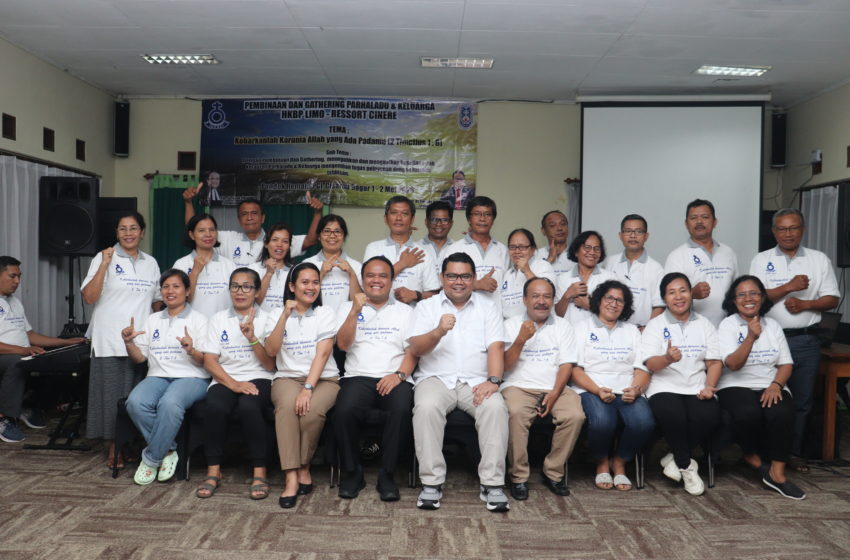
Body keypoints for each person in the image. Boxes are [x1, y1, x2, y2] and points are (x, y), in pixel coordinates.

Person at [408, 252, 510, 512]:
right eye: (452, 275)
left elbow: (496, 348)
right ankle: (431, 483)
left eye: (465, 276)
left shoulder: (488, 308)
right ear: (442, 278)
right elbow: (416, 349)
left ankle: (493, 484)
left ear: (473, 278)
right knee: (427, 408)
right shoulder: (426, 307)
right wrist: (439, 331)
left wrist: (494, 381)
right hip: (435, 378)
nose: (458, 281)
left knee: (496, 407)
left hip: (476, 381)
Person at [749, 208, 839, 472]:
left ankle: (793, 453)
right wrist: (788, 287)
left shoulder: (818, 259)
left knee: (801, 401)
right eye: (782, 228)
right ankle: (765, 453)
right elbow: (754, 299)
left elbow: (832, 298)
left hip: (805, 341)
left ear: (802, 229)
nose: (788, 233)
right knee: (765, 399)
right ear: (774, 231)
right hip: (766, 341)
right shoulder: (760, 259)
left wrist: (806, 304)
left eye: (793, 228)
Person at [81, 211, 161, 467]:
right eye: (123, 229)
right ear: (116, 233)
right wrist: (105, 264)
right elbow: (89, 297)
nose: (128, 233)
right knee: (111, 397)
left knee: (135, 396)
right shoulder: (104, 257)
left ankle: (130, 442)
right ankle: (114, 446)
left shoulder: (151, 262)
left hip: (140, 342)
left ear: (142, 231)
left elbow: (157, 300)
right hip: (109, 340)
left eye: (134, 228)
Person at [334, 256, 416, 501]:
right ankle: (353, 471)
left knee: (401, 410)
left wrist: (399, 375)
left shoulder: (406, 311)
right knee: (343, 410)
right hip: (358, 376)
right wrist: (355, 310)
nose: (376, 280)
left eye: (383, 276)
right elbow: (343, 344)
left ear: (391, 281)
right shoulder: (346, 307)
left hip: (395, 375)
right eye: (370, 275)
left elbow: (413, 351)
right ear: (362, 279)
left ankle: (387, 474)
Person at [716, 275, 805, 499]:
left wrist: (776, 385)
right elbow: (733, 365)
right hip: (735, 384)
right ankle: (750, 455)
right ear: (733, 300)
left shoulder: (773, 325)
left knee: (782, 411)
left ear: (763, 297)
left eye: (754, 293)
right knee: (748, 413)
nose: (748, 298)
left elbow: (786, 364)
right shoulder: (727, 325)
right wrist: (750, 338)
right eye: (742, 294)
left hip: (769, 383)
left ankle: (777, 473)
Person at [194, 268, 276, 500]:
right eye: (235, 286)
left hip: (260, 376)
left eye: (247, 286)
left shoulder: (268, 318)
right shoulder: (219, 319)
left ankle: (260, 471)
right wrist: (234, 384)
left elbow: (270, 364)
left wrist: (252, 338)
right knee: (215, 406)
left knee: (249, 407)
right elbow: (210, 361)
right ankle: (214, 471)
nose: (240, 292)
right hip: (225, 377)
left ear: (257, 291)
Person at [122, 269, 210, 485]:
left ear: (188, 291)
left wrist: (191, 350)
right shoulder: (152, 320)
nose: (170, 291)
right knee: (135, 402)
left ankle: (151, 459)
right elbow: (139, 359)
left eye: (176, 286)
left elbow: (207, 360)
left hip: (193, 377)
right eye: (166, 287)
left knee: (170, 403)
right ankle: (169, 451)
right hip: (158, 376)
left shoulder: (200, 320)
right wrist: (129, 343)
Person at [264, 262, 340, 509]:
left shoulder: (325, 313)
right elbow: (272, 351)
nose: (311, 287)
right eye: (305, 282)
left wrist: (308, 388)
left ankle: (304, 464)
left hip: (324, 378)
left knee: (310, 412)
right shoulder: (275, 314)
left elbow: (323, 354)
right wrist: (285, 316)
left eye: (315, 282)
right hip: (286, 377)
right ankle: (291, 476)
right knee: (286, 408)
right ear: (292, 287)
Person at [502, 277, 584, 500]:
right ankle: (518, 477)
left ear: (553, 300)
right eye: (535, 296)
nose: (541, 302)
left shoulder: (563, 326)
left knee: (575, 415)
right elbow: (504, 367)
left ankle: (554, 472)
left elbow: (567, 364)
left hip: (554, 386)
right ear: (525, 300)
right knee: (515, 413)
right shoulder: (510, 325)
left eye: (547, 296)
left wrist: (555, 394)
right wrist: (520, 340)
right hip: (518, 387)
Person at [642, 272, 721, 496]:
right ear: (664, 298)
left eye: (683, 290)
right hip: (664, 386)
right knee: (673, 415)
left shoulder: (705, 324)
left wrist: (709, 385)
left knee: (710, 416)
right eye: (671, 292)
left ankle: (674, 457)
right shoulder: (656, 325)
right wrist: (667, 358)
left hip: (696, 385)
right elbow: (650, 363)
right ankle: (686, 467)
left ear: (691, 294)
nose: (678, 296)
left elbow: (714, 362)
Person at [570, 281, 655, 491]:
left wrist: (636, 389)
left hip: (626, 388)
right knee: (602, 422)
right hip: (592, 387)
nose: (614, 304)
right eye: (609, 298)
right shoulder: (581, 328)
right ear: (598, 300)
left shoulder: (632, 331)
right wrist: (597, 390)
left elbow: (643, 369)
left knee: (644, 422)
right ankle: (601, 461)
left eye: (619, 300)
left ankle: (620, 460)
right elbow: (575, 370)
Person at [0, 256, 85, 443]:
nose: (17, 281)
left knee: (56, 362)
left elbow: (31, 335)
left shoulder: (15, 302)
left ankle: (30, 406)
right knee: (18, 363)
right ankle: (5, 418)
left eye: (19, 277)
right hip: (7, 356)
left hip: (20, 353)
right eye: (12, 276)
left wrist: (66, 342)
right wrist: (21, 350)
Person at [182, 190, 323, 266]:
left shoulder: (276, 241)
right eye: (244, 214)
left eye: (254, 213)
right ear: (239, 219)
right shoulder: (227, 238)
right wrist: (188, 203)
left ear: (262, 218)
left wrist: (317, 213)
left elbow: (311, 240)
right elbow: (196, 229)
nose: (249, 217)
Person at [664, 199, 737, 326]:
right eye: (693, 218)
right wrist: (691, 294)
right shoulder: (676, 256)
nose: (699, 222)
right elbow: (668, 298)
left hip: (726, 328)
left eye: (705, 217)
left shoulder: (728, 252)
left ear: (715, 222)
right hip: (692, 329)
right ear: (686, 224)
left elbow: (737, 292)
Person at [363, 196, 440, 305]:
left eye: (404, 213)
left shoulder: (423, 252)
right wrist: (402, 264)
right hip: (378, 314)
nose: (398, 218)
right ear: (385, 218)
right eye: (394, 213)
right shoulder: (373, 248)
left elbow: (434, 295)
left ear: (412, 219)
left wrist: (415, 295)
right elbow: (367, 285)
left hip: (413, 317)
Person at [603, 214, 665, 329]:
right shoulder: (609, 263)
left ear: (646, 236)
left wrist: (648, 330)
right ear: (620, 236)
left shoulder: (656, 268)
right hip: (611, 329)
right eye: (628, 231)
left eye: (638, 231)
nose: (633, 236)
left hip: (641, 331)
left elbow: (659, 306)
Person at [173, 214, 236, 318]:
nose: (208, 234)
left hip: (223, 328)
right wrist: (194, 272)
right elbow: (179, 301)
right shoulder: (181, 264)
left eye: (212, 230)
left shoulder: (229, 265)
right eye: (201, 230)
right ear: (192, 235)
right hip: (192, 328)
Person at [453, 196, 508, 309]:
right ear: (469, 219)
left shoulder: (503, 250)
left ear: (493, 220)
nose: (482, 219)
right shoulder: (455, 248)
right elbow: (445, 287)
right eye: (477, 214)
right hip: (463, 317)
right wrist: (476, 285)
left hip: (495, 317)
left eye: (487, 214)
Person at [304, 214, 363, 313]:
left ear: (344, 237)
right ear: (319, 236)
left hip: (346, 324)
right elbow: (302, 299)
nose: (332, 235)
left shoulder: (356, 266)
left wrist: (351, 273)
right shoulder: (307, 264)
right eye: (327, 231)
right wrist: (321, 274)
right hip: (315, 324)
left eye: (337, 231)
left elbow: (359, 302)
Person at [554, 230, 616, 325]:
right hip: (570, 334)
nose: (592, 252)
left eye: (597, 249)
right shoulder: (563, 279)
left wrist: (590, 305)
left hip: (599, 334)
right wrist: (567, 295)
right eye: (587, 248)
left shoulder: (610, 278)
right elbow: (557, 315)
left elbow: (615, 312)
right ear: (576, 252)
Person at [500, 228, 555, 318]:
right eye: (512, 247)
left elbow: (547, 293)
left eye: (522, 247)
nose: (517, 251)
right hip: (511, 327)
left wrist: (527, 271)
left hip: (536, 325)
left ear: (533, 249)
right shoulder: (508, 274)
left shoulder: (543, 266)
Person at [249, 223, 294, 312]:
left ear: (289, 246)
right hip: (260, 323)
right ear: (266, 243)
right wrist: (268, 273)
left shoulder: (294, 271)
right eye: (274, 240)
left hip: (286, 322)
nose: (279, 245)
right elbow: (253, 300)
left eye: (285, 241)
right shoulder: (253, 269)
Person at [419, 200, 456, 278]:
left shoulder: (458, 248)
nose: (439, 224)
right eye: (434, 220)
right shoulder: (416, 248)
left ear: (451, 223)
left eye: (444, 220)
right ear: (426, 222)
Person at [537, 210, 574, 276]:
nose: (559, 228)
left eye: (563, 224)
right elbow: (532, 282)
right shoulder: (536, 255)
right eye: (552, 225)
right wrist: (549, 259)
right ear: (543, 231)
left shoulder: (578, 255)